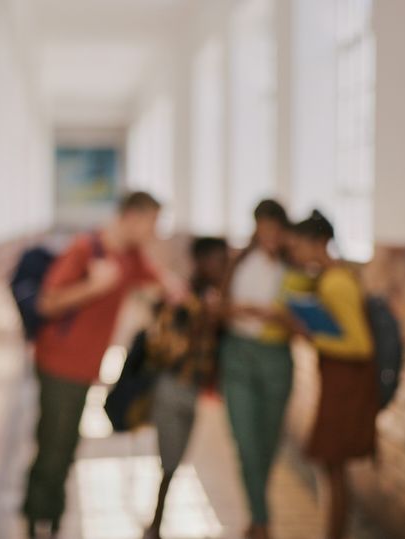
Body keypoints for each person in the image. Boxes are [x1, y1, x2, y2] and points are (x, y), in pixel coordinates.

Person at [22, 191, 181, 538]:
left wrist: (178, 294)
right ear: (132, 217)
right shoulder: (85, 249)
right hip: (60, 363)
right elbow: (47, 304)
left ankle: (49, 517)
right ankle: (39, 521)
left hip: (84, 367)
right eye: (152, 223)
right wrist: (93, 286)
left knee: (63, 446)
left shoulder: (131, 254)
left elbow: (162, 281)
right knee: (54, 447)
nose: (155, 232)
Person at [219, 199, 311, 539]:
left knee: (268, 442)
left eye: (275, 229)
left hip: (276, 358)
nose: (269, 235)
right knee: (245, 441)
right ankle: (263, 520)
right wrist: (236, 309)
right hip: (238, 354)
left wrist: (281, 317)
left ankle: (257, 515)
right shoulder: (241, 261)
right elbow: (221, 306)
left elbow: (308, 322)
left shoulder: (295, 269)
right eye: (263, 228)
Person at [286, 210, 377, 539]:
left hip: (346, 386)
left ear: (320, 243)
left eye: (298, 245)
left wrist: (312, 336)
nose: (294, 253)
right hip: (338, 382)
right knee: (331, 467)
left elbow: (360, 346)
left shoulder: (337, 282)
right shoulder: (330, 277)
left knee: (332, 466)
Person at [141, 237, 229, 539]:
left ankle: (156, 522)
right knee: (169, 460)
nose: (223, 267)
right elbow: (168, 345)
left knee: (175, 460)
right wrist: (201, 315)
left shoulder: (212, 298)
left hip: (190, 390)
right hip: (173, 387)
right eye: (218, 261)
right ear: (201, 263)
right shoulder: (187, 300)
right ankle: (155, 525)